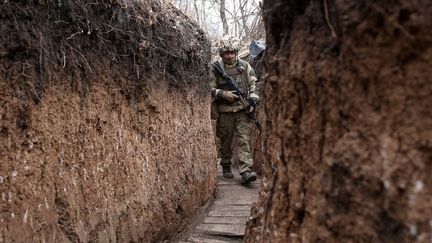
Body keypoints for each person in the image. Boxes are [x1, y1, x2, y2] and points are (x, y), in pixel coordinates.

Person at [210, 36, 259, 185]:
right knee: (226, 140)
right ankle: (226, 164)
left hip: (242, 110)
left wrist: (252, 98)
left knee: (244, 139)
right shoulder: (216, 69)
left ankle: (246, 171)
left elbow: (253, 84)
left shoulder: (245, 67)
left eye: (232, 52)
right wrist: (223, 94)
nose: (229, 55)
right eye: (226, 53)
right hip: (225, 111)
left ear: (236, 52)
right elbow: (210, 88)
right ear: (222, 54)